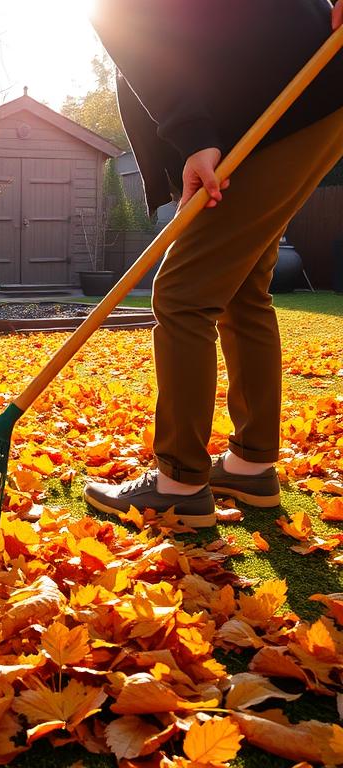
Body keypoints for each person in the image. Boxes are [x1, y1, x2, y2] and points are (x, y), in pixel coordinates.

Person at [83, 0, 343, 527]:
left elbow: (129, 23)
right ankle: (249, 465)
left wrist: (194, 137)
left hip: (280, 96)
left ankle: (179, 480)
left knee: (183, 293)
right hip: (294, 90)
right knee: (244, 288)